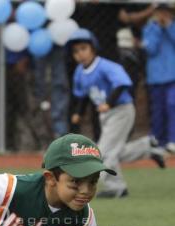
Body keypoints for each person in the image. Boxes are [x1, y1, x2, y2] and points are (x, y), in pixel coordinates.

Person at [69, 28, 166, 199]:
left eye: (84, 48)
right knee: (114, 152)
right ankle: (147, 147)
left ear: (93, 48)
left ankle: (116, 187)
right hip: (106, 115)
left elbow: (122, 83)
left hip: (121, 110)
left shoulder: (105, 65)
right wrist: (78, 113)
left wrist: (109, 103)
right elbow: (83, 96)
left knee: (102, 151)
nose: (80, 54)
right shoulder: (79, 72)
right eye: (76, 51)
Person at [142, 4, 175, 155]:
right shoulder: (149, 29)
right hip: (155, 78)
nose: (162, 15)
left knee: (172, 106)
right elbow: (150, 49)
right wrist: (157, 28)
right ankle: (158, 141)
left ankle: (172, 140)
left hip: (172, 76)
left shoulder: (173, 27)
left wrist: (168, 27)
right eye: (159, 11)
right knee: (157, 110)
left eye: (165, 11)